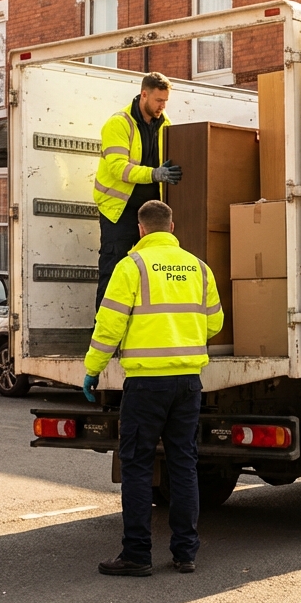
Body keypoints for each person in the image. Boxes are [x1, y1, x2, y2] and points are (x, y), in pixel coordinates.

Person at [83, 201, 223, 577]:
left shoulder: (132, 267)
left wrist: (93, 369)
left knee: (138, 466)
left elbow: (109, 326)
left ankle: (137, 554)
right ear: (172, 227)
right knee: (184, 464)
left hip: (146, 384)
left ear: (141, 229)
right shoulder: (199, 268)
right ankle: (185, 553)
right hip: (188, 382)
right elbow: (214, 324)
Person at [93, 71, 182, 307]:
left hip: (151, 211)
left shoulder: (165, 124)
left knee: (153, 269)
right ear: (144, 94)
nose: (163, 106)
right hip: (119, 209)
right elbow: (117, 168)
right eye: (158, 100)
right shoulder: (118, 123)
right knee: (113, 270)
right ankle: (103, 326)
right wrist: (154, 174)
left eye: (165, 101)